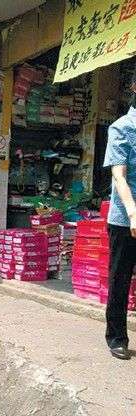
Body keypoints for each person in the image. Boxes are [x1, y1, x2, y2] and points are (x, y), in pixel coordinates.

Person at [103, 69, 136, 360]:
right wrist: (132, 211)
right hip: (125, 220)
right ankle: (116, 336)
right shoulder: (122, 127)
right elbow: (119, 175)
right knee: (120, 279)